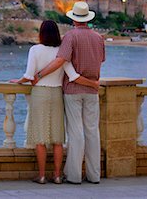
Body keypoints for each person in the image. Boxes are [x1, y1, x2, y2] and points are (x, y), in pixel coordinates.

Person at [9, 20, 99, 184]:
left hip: (40, 93)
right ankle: (57, 176)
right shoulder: (61, 51)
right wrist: (93, 83)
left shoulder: (35, 50)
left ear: (41, 33)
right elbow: (73, 76)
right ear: (57, 34)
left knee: (41, 138)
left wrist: (18, 81)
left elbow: (29, 76)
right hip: (57, 94)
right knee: (58, 139)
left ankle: (42, 176)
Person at [34, 2, 105, 185]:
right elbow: (101, 60)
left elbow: (61, 60)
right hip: (92, 91)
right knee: (92, 132)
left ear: (74, 18)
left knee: (76, 132)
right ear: (87, 18)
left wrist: (39, 75)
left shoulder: (70, 37)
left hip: (73, 91)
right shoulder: (98, 38)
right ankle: (94, 175)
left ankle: (74, 175)